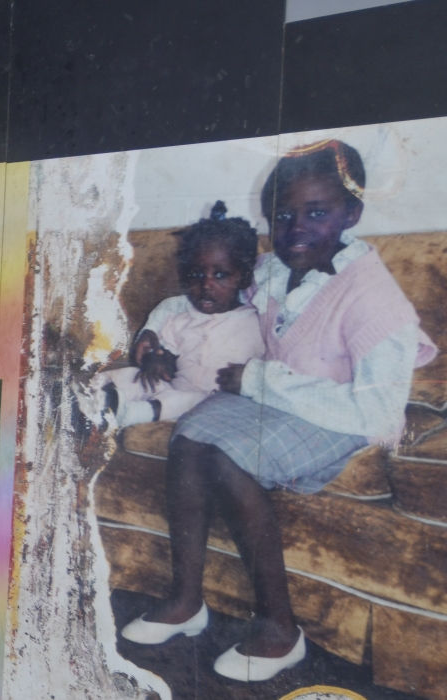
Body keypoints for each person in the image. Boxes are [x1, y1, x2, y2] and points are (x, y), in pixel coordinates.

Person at [119, 140, 437, 682]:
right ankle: (187, 599)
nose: (296, 230)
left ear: (352, 214)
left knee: (226, 460)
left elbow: (380, 413)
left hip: (341, 414)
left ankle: (279, 629)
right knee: (191, 438)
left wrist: (262, 381)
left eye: (317, 213)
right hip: (278, 400)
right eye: (283, 215)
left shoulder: (376, 299)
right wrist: (152, 331)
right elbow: (199, 294)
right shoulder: (273, 269)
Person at [98, 201, 265, 426]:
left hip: (214, 402)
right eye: (197, 274)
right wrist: (155, 361)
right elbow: (162, 353)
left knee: (197, 401)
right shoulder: (180, 319)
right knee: (133, 376)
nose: (206, 284)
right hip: (174, 388)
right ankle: (92, 392)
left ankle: (132, 413)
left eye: (220, 275)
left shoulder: (256, 323)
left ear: (243, 278)